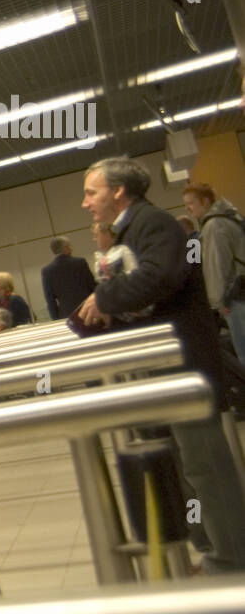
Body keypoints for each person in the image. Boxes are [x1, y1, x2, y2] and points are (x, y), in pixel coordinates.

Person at [79, 157, 245, 573]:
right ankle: (211, 548)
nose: (85, 203)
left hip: (185, 368)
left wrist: (105, 300)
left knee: (207, 467)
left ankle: (232, 560)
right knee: (187, 470)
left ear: (118, 191)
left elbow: (160, 277)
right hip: (166, 369)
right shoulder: (130, 232)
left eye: (91, 192)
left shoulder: (153, 223)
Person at [182, 182, 245, 363]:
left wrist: (217, 302)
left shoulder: (213, 226)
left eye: (191, 203)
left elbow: (217, 266)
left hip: (234, 297)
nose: (188, 208)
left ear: (205, 201)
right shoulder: (229, 216)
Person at [41, 236, 96, 320]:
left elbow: (50, 301)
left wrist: (56, 320)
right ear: (65, 247)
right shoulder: (80, 263)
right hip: (88, 312)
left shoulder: (47, 271)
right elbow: (93, 287)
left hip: (67, 316)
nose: (71, 249)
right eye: (69, 246)